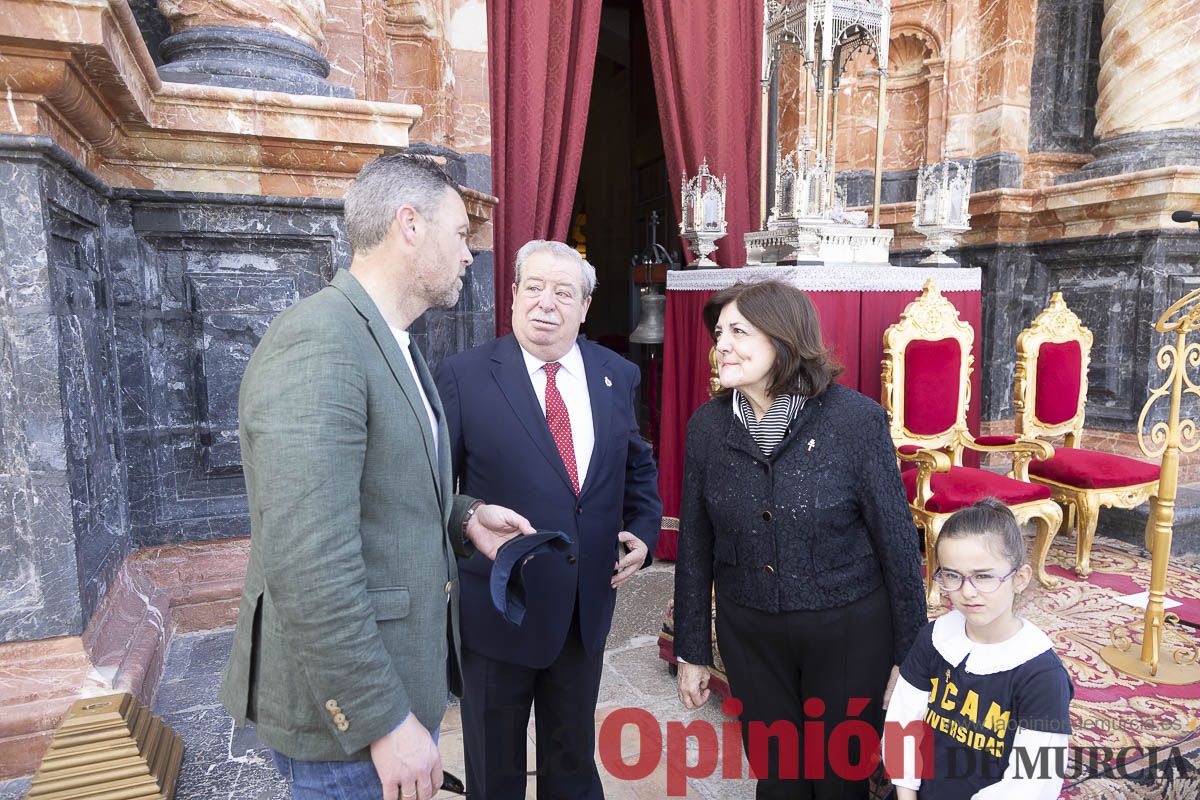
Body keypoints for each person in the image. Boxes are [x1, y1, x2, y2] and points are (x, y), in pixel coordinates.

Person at [219, 153, 535, 800]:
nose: (469, 255)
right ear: (409, 224)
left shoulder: (393, 341)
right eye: (458, 234)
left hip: (390, 685)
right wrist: (383, 721)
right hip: (344, 728)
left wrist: (464, 517)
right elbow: (308, 562)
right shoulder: (320, 345)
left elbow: (381, 486)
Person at [673, 279, 926, 799]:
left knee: (841, 779)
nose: (721, 345)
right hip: (752, 635)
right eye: (719, 332)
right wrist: (692, 650)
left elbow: (898, 544)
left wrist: (910, 657)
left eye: (739, 331)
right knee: (779, 775)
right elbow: (695, 547)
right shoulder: (706, 428)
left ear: (782, 339)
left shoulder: (855, 421)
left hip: (850, 633)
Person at [434, 239, 662, 798]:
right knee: (495, 775)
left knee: (573, 765)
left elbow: (637, 464)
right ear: (512, 296)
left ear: (585, 307)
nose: (546, 303)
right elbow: (434, 490)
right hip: (498, 610)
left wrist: (646, 531)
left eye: (564, 292)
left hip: (584, 610)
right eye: (533, 288)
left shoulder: (616, 374)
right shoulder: (463, 376)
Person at [883, 498, 1073, 799]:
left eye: (983, 576)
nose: (967, 592)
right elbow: (902, 726)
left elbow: (1033, 782)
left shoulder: (1041, 675)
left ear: (1020, 579)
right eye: (952, 575)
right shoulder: (934, 638)